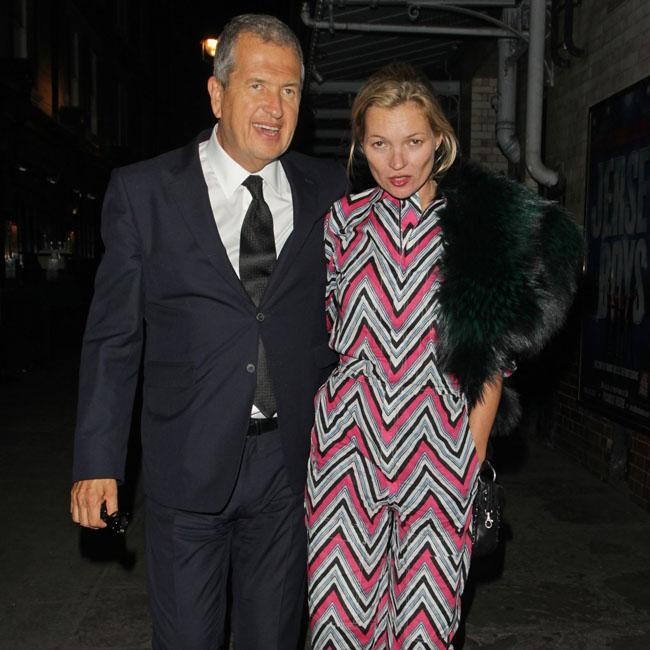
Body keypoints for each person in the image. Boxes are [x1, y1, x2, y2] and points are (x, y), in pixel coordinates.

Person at [70, 14, 346, 650]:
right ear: (217, 94)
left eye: (290, 90)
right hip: (186, 462)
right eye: (257, 86)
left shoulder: (329, 190)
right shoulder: (145, 193)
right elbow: (113, 337)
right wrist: (98, 461)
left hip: (291, 464)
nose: (275, 107)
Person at [306, 63, 582, 649]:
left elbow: (491, 363)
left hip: (440, 451)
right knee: (338, 626)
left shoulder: (476, 230)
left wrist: (468, 462)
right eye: (379, 144)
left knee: (424, 632)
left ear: (440, 139)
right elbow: (325, 335)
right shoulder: (340, 225)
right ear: (360, 145)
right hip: (345, 452)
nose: (397, 161)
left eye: (413, 141)